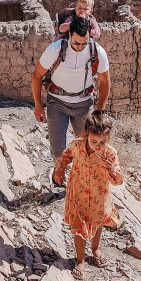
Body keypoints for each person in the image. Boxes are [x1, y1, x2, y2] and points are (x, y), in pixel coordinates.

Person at [31, 15, 111, 176]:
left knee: (86, 147)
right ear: (69, 36)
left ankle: (82, 179)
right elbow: (37, 76)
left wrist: (100, 109)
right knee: (57, 148)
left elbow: (105, 81)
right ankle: (61, 176)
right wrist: (38, 105)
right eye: (76, 43)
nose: (81, 47)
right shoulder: (55, 50)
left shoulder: (97, 52)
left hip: (84, 104)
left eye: (84, 43)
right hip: (57, 103)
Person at [53, 112, 123, 279]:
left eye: (102, 142)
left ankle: (95, 249)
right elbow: (65, 157)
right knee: (79, 227)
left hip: (100, 195)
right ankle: (80, 260)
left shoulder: (109, 153)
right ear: (86, 134)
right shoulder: (77, 145)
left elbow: (118, 179)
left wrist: (113, 171)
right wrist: (59, 170)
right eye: (94, 141)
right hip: (78, 192)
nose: (98, 146)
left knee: (97, 223)